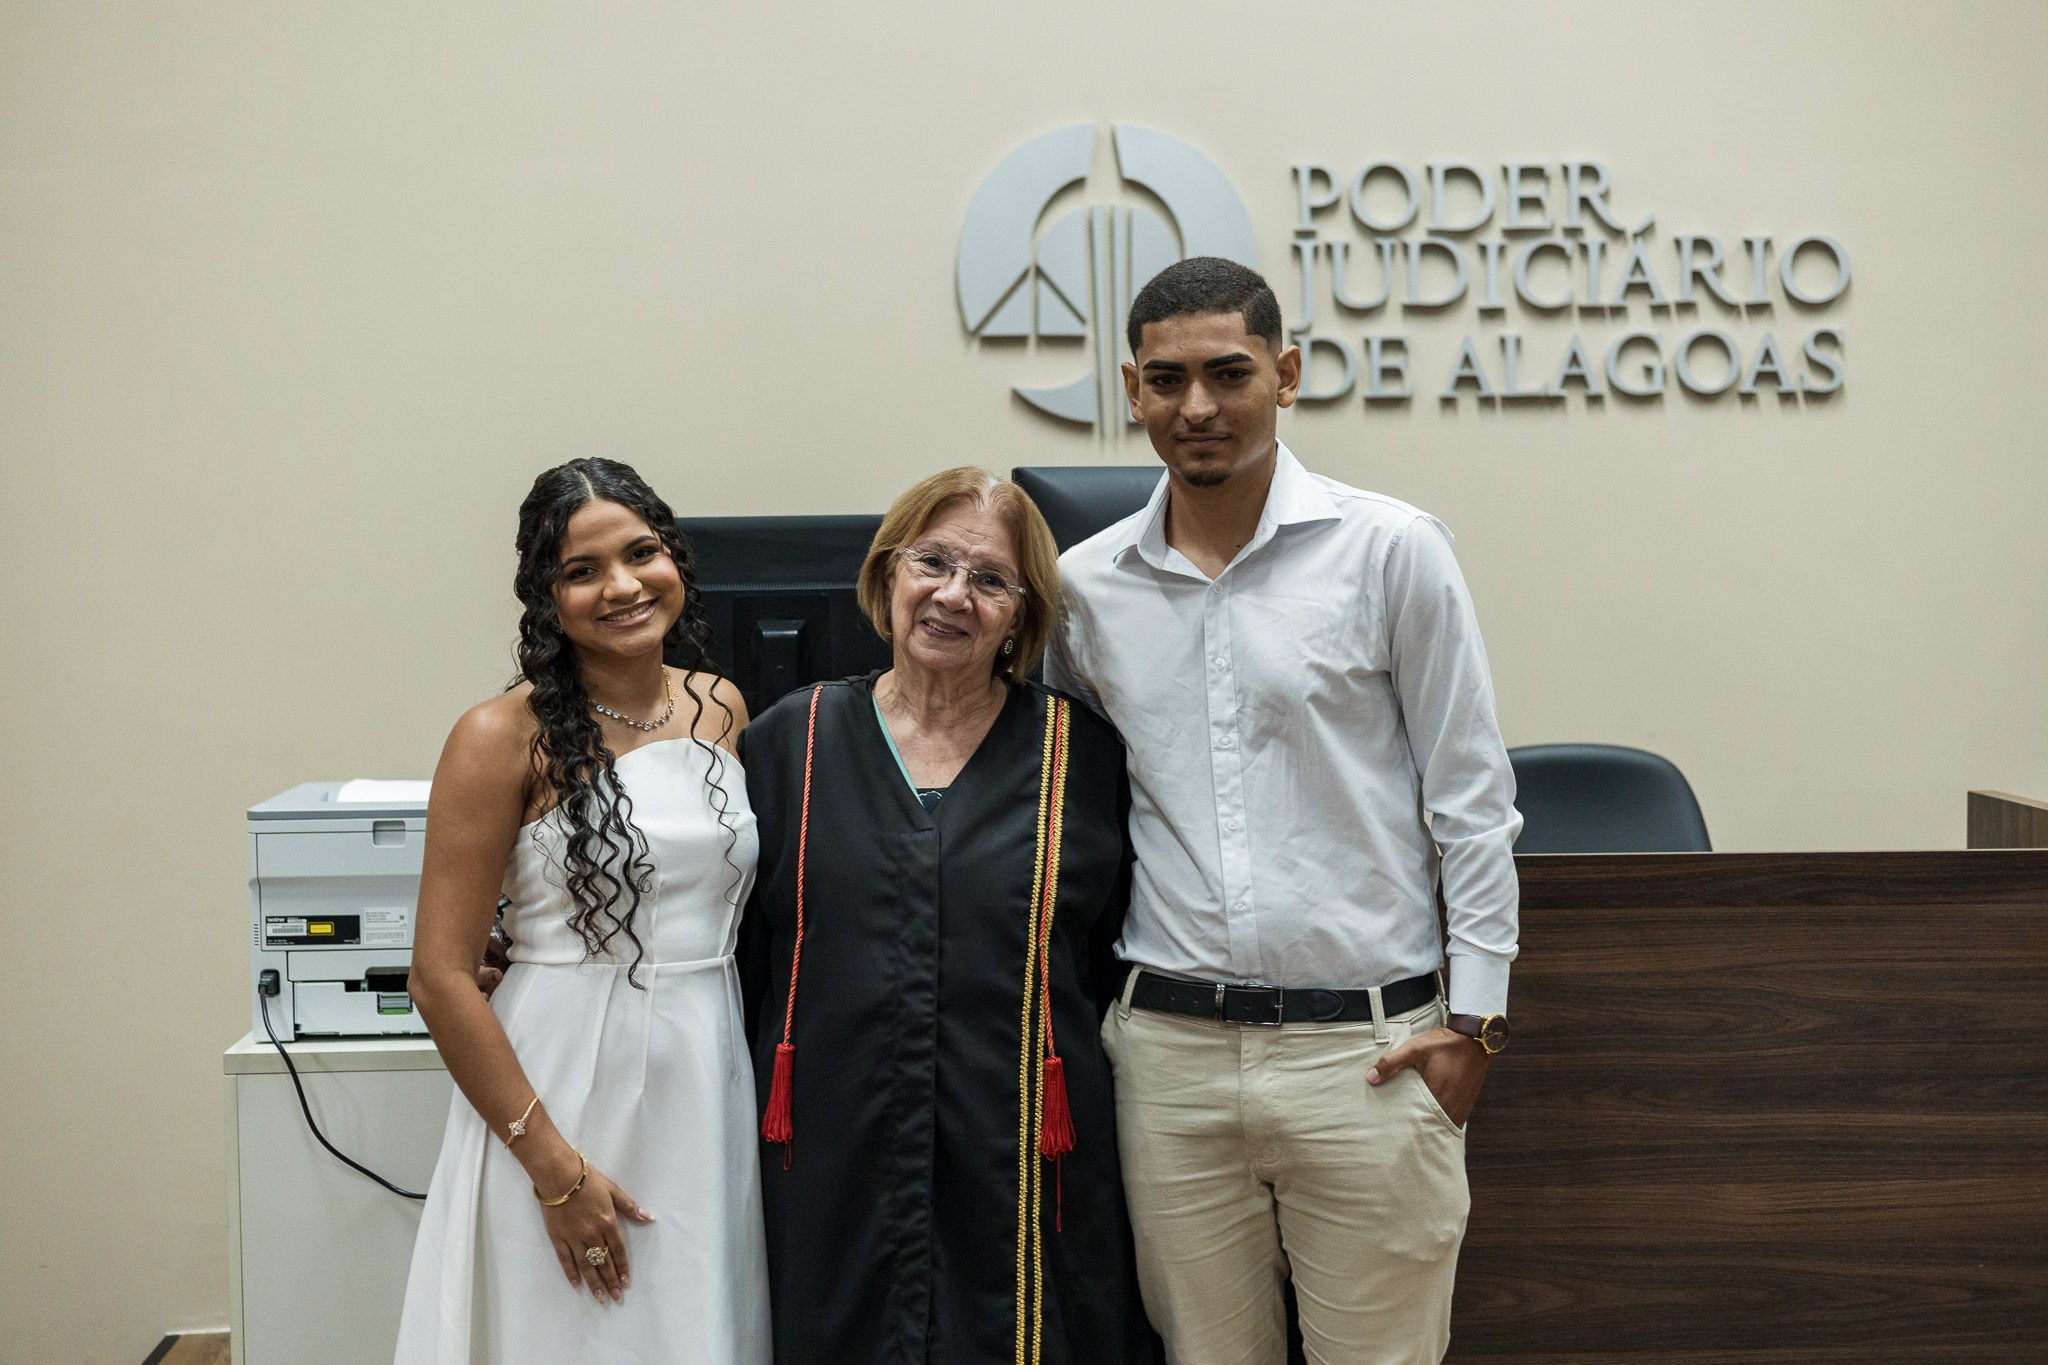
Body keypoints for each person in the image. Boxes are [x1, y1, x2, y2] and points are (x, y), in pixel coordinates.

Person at [1045, 258, 1522, 1365]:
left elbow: (1471, 798)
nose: (1196, 407)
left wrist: (1477, 1022)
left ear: (1287, 374)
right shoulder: (1083, 589)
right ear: (1131, 388)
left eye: (1228, 374)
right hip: (1167, 1065)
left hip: (1366, 1057)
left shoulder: (1390, 548)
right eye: (1165, 380)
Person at [737, 467, 1155, 1365]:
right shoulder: (788, 742)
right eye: (932, 561)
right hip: (832, 1152)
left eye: (991, 580)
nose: (953, 595)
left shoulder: (1081, 757)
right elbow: (722, 943)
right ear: (889, 573)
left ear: (1022, 614)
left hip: (1023, 1158)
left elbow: (1121, 952)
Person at [394, 458, 769, 1365]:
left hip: (704, 1072)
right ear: (545, 598)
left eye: (642, 553)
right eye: (582, 570)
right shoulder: (498, 735)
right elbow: (440, 976)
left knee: (691, 1325)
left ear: (675, 557)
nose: (623, 586)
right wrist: (552, 1171)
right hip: (558, 1081)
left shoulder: (720, 707)